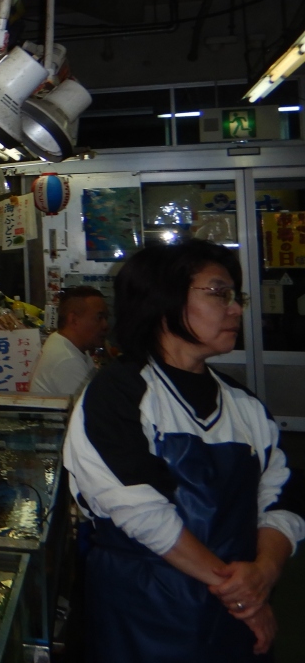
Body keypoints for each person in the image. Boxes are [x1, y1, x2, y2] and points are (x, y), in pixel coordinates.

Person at [64, 240, 304, 662]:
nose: (236, 309)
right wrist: (244, 597)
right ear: (164, 300)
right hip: (145, 612)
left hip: (232, 613)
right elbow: (141, 511)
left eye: (236, 296)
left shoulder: (245, 406)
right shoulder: (117, 393)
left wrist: (264, 573)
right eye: (219, 293)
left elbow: (282, 497)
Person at [29, 286, 108, 396]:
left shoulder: (60, 341)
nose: (105, 325)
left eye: (106, 318)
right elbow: (91, 405)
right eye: (99, 318)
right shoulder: (67, 359)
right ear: (74, 320)